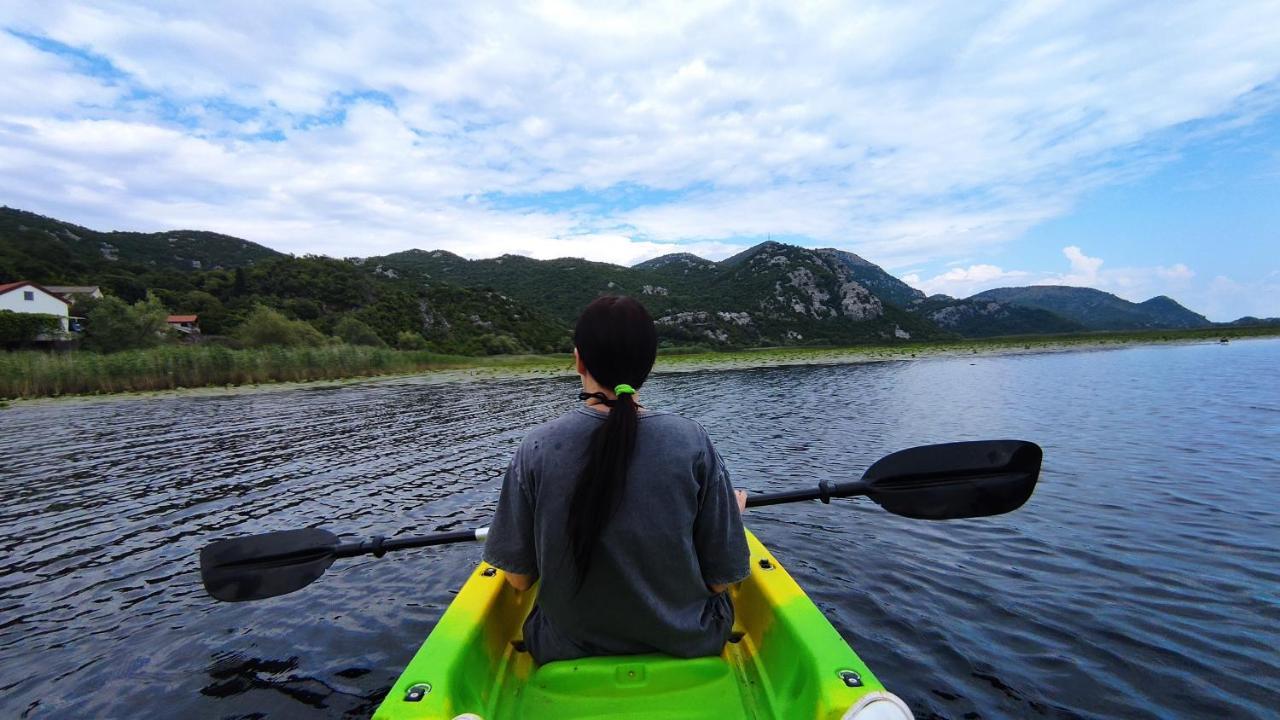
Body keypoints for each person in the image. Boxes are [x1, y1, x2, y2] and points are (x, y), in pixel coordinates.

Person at [482, 295, 750, 664]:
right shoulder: (691, 440)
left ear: (578, 359)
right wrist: (730, 516)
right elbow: (722, 578)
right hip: (690, 641)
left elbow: (519, 580)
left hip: (563, 649)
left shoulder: (537, 446)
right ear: (649, 365)